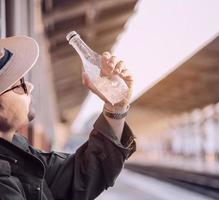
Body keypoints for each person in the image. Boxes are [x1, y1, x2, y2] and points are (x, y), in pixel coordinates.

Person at [0, 36, 136, 200]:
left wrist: (116, 108)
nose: (30, 86)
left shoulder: (18, 153)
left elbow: (81, 176)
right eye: (19, 84)